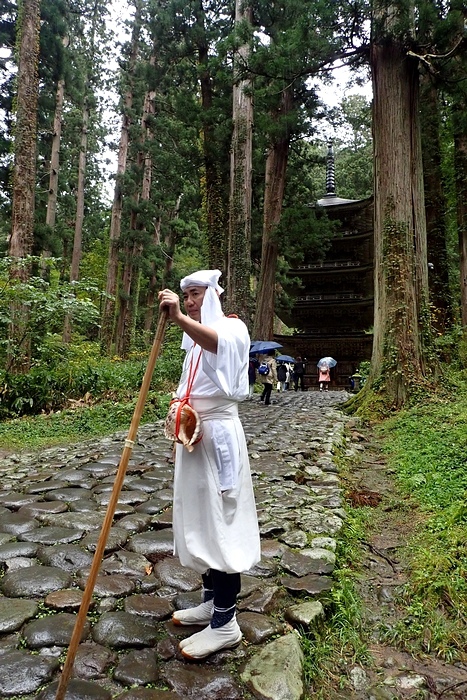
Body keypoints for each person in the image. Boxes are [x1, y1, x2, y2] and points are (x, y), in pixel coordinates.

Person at [158, 270, 261, 660]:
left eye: (196, 295)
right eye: (186, 297)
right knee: (198, 519)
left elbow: (218, 345)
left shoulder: (231, 328)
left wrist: (180, 320)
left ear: (213, 295)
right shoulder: (193, 345)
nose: (190, 302)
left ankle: (226, 623)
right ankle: (209, 601)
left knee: (221, 522)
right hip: (192, 438)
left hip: (218, 439)